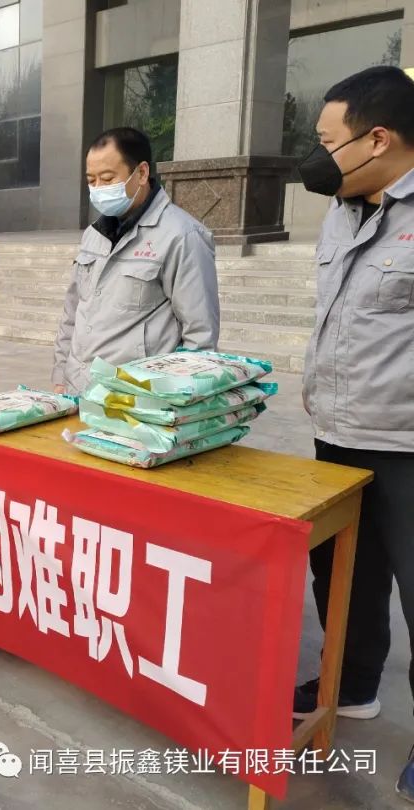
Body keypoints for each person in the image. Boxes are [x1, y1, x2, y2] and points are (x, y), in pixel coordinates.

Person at [291, 65, 414, 799]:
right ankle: (354, 682)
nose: (317, 155)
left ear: (378, 140)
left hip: (406, 441)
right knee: (343, 571)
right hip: (337, 429)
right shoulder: (344, 210)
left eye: (327, 140)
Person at [51, 127, 220, 395]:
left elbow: (200, 336)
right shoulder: (94, 235)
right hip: (79, 389)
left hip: (136, 400)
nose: (98, 189)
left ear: (141, 173)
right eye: (91, 180)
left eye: (108, 179)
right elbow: (73, 312)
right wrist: (61, 374)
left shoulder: (181, 236)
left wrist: (176, 402)